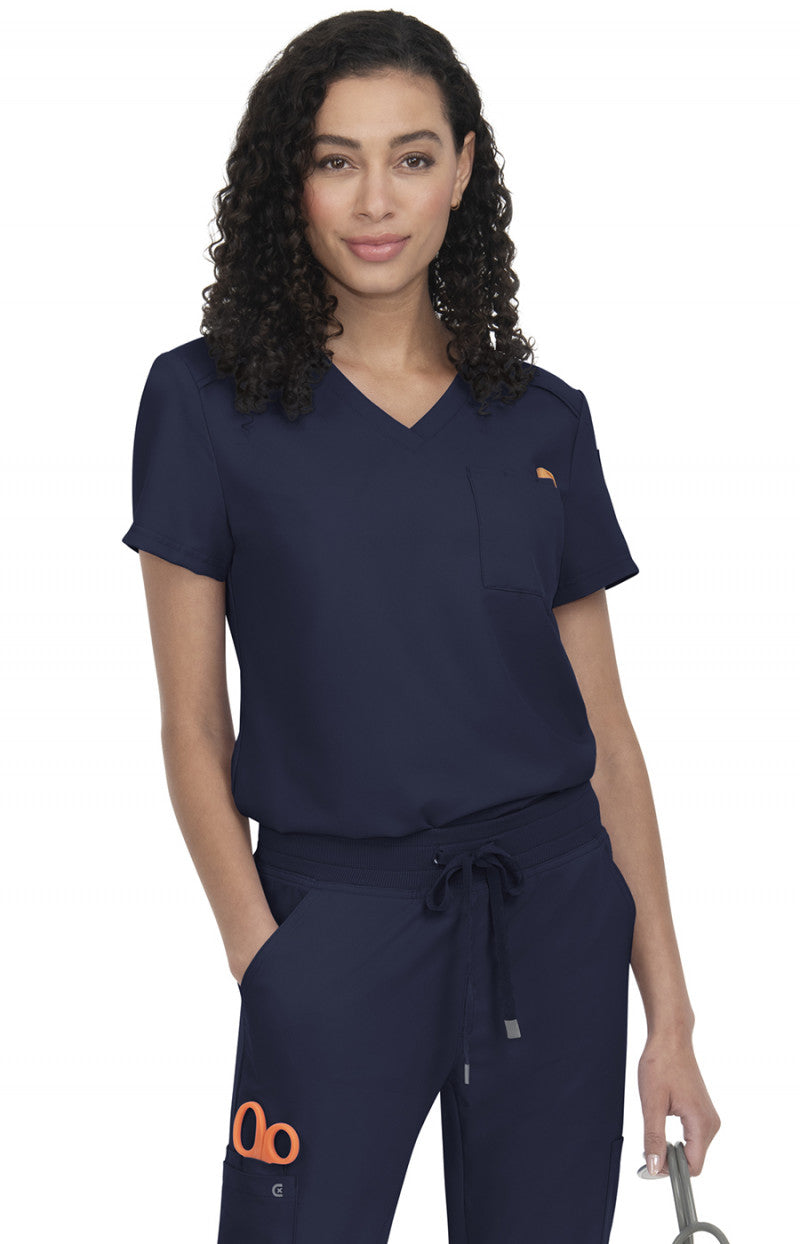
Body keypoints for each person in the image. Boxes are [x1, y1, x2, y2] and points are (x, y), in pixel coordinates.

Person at [121, 10, 721, 1243]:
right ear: (289, 180)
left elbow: (605, 737)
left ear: (461, 171)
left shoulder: (541, 421)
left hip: (553, 915)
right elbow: (190, 725)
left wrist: (667, 1016)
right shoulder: (203, 402)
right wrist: (262, 956)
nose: (374, 199)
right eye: (334, 160)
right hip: (334, 919)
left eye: (409, 156)